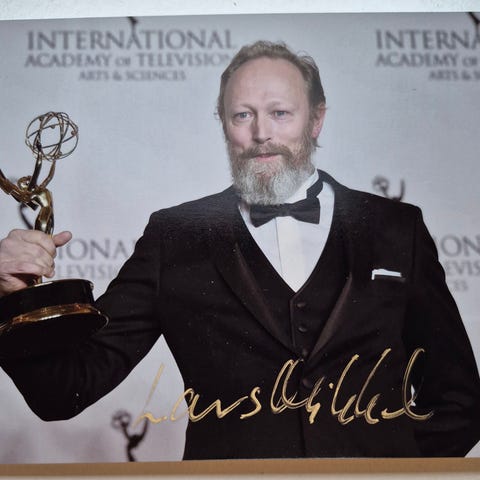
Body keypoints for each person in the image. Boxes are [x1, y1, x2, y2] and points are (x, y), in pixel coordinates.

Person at [0, 41, 479, 460]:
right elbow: (63, 391)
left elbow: (460, 402)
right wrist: (12, 297)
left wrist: (390, 470)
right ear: (224, 124)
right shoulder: (174, 236)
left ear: (316, 119)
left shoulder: (396, 227)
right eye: (242, 115)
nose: (261, 132)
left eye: (280, 113)